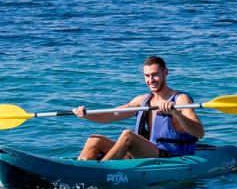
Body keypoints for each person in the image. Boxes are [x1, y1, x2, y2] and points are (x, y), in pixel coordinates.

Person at [73, 56, 204, 161]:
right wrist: (86, 114)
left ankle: (101, 172)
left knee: (128, 135)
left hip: (170, 156)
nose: (150, 80)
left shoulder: (180, 99)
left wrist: (176, 113)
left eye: (155, 75)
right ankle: (81, 171)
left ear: (165, 73)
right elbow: (113, 114)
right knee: (94, 140)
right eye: (147, 76)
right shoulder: (142, 100)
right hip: (146, 153)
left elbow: (199, 133)